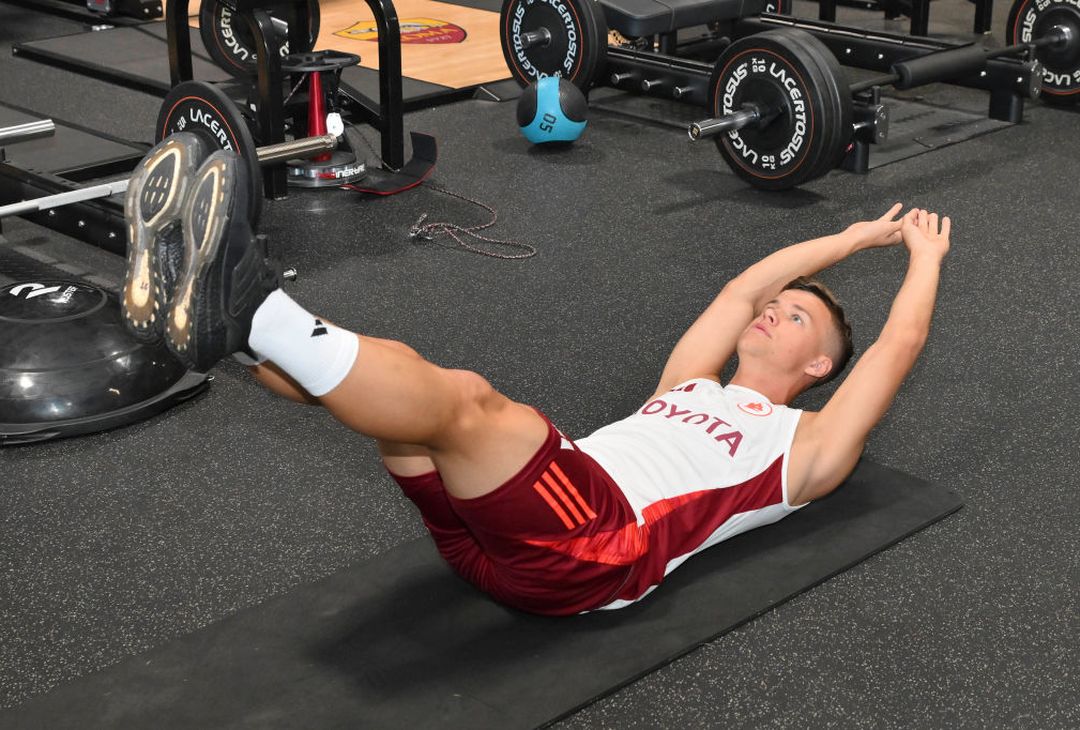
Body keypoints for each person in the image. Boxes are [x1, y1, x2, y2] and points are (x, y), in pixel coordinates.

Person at [121, 137, 951, 616]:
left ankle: (251, 308)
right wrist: (848, 237)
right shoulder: (690, 385)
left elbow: (897, 346)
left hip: (596, 553)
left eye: (796, 316)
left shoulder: (803, 448)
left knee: (472, 400)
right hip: (497, 530)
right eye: (779, 304)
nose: (770, 311)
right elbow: (740, 288)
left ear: (818, 366)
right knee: (410, 382)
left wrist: (922, 253)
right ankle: (220, 334)